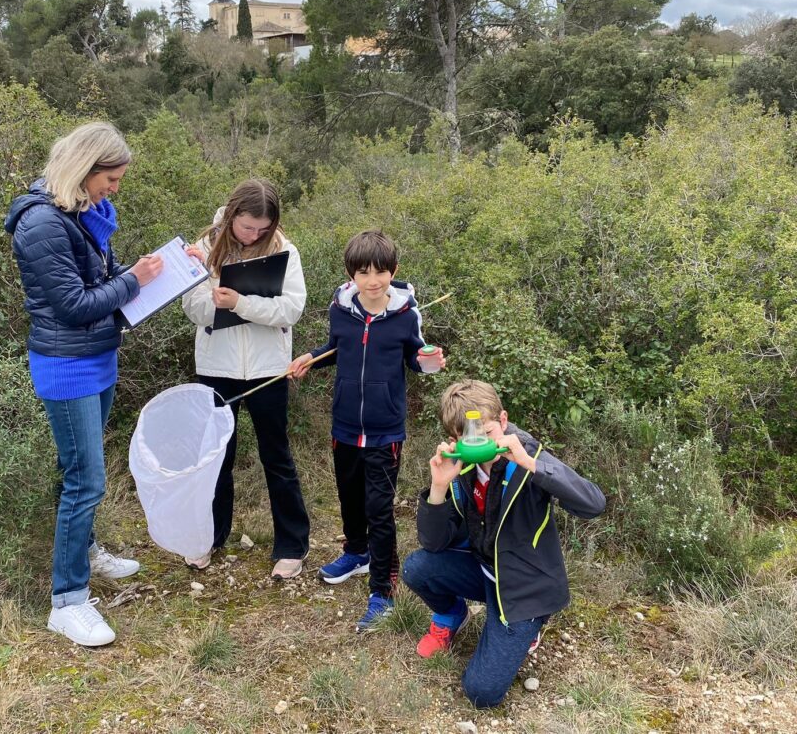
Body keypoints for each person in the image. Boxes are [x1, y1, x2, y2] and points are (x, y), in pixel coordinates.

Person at [4, 122, 166, 648]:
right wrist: (134, 280)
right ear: (85, 168)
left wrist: (159, 273)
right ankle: (68, 600)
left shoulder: (76, 216)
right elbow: (74, 307)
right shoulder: (42, 225)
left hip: (96, 359)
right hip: (68, 365)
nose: (115, 189)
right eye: (111, 179)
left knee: (78, 466)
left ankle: (87, 549)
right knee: (86, 480)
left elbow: (102, 278)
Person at [402, 379, 606, 708]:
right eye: (467, 436)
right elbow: (434, 543)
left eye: (486, 432)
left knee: (481, 692)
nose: (479, 442)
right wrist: (437, 489)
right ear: (454, 439)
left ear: (503, 420)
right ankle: (452, 616)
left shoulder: (528, 457)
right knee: (416, 568)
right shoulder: (460, 468)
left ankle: (530, 627)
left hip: (523, 589)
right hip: (483, 572)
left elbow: (593, 504)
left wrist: (532, 465)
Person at [288, 230, 444, 630]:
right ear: (350, 275)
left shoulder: (407, 315)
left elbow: (416, 358)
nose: (373, 281)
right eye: (363, 272)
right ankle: (356, 552)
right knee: (349, 497)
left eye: (381, 272)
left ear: (394, 271)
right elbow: (337, 346)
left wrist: (430, 361)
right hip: (344, 425)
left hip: (385, 430)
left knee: (379, 508)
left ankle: (382, 589)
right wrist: (310, 357)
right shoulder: (340, 308)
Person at [182, 179, 311, 579]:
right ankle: (209, 538)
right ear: (233, 213)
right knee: (217, 456)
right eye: (247, 227)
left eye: (262, 229)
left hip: (268, 369)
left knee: (277, 456)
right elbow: (193, 308)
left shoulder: (284, 249)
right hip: (216, 368)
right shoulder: (204, 247)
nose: (254, 235)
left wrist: (241, 303)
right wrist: (218, 294)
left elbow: (291, 309)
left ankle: (291, 546)